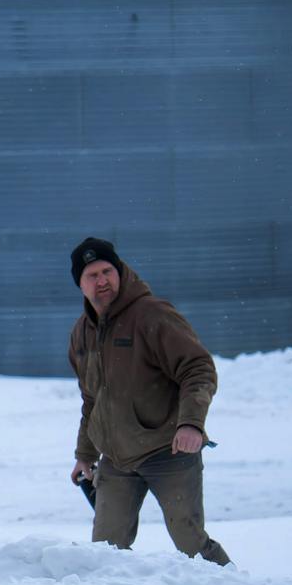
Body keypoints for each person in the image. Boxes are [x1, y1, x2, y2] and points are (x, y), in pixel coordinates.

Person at [66, 238, 230, 566]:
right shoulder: (82, 333)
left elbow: (198, 369)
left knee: (190, 542)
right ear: (80, 284)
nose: (102, 281)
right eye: (92, 275)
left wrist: (191, 423)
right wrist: (85, 454)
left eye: (107, 271)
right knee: (104, 550)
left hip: (169, 450)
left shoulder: (151, 314)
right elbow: (91, 400)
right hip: (117, 458)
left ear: (120, 271)